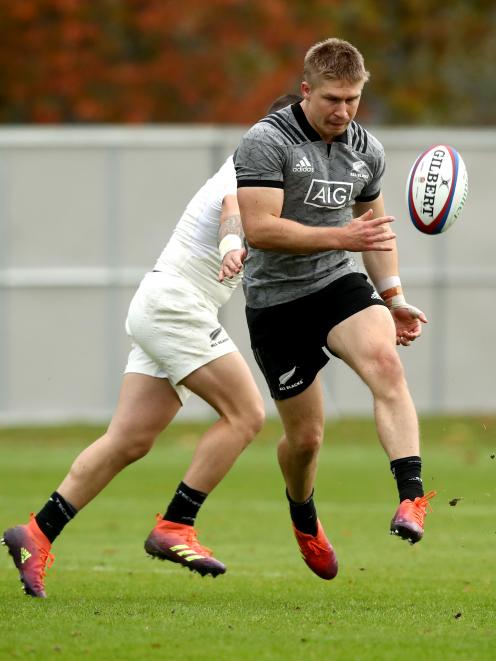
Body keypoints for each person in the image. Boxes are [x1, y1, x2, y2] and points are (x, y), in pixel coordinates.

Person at [1, 93, 300, 598]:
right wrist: (232, 245)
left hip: (165, 302)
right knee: (246, 414)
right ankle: (177, 525)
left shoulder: (283, 175)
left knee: (129, 440)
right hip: (175, 305)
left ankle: (35, 534)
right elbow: (233, 210)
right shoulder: (257, 161)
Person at [234, 38, 436, 581]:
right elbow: (260, 230)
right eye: (331, 98)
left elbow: (374, 229)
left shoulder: (366, 148)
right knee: (306, 440)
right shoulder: (265, 141)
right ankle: (303, 516)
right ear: (306, 91)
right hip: (275, 303)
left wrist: (393, 298)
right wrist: (340, 235)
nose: (342, 110)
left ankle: (411, 498)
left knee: (385, 364)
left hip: (334, 283)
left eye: (352, 99)